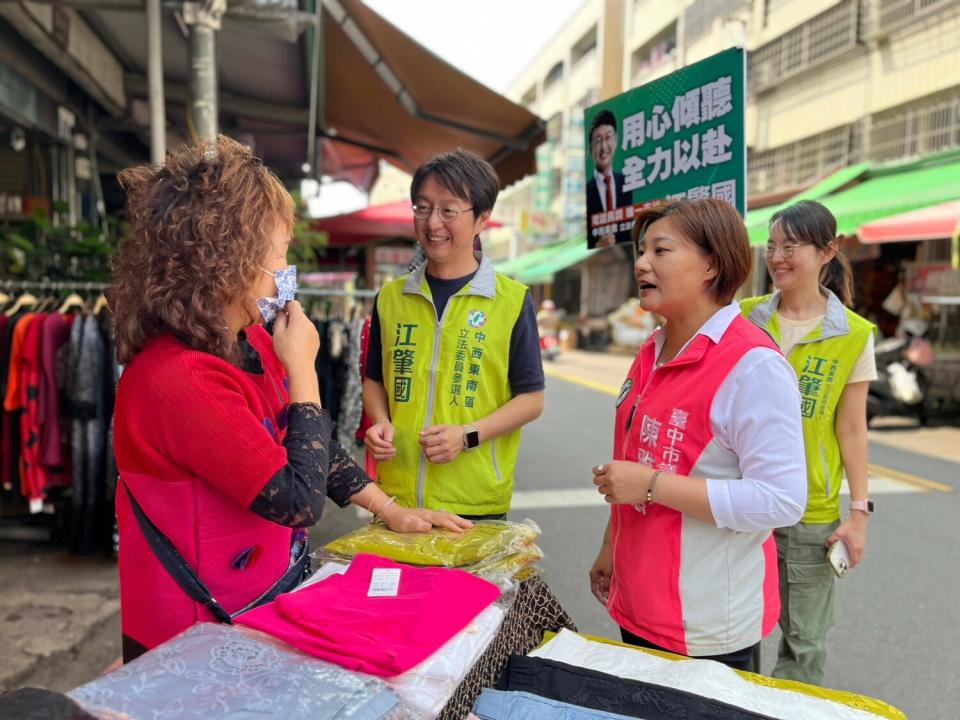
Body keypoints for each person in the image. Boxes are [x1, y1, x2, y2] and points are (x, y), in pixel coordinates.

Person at [109, 137, 470, 662]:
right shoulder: (176, 377)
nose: (285, 271)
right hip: (191, 637)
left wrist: (389, 508)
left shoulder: (251, 339)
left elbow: (308, 439)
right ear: (228, 260)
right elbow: (297, 502)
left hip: (257, 605)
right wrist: (304, 369)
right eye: (278, 254)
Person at [588, 199, 807, 672]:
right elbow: (635, 456)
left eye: (661, 250)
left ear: (711, 264)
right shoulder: (654, 348)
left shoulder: (754, 366)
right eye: (641, 251)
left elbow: (782, 499)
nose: (642, 263)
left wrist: (651, 485)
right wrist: (612, 547)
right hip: (638, 603)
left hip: (706, 627)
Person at [363, 149, 545, 519]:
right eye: (423, 208)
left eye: (449, 210)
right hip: (396, 501)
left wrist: (467, 436)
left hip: (473, 504)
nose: (433, 224)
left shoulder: (511, 301)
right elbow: (374, 379)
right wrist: (380, 420)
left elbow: (531, 399)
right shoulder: (390, 297)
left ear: (482, 219)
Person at [741, 200, 877, 685]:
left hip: (809, 514)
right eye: (772, 246)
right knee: (735, 639)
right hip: (739, 503)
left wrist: (858, 514)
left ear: (828, 252)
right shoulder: (744, 319)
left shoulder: (854, 335)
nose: (778, 256)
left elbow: (852, 429)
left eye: (791, 246)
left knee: (804, 647)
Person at [586, 110, 633, 249]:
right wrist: (597, 246)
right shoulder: (586, 193)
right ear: (590, 148)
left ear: (616, 140)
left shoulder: (629, 184)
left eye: (608, 137)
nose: (603, 147)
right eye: (598, 141)